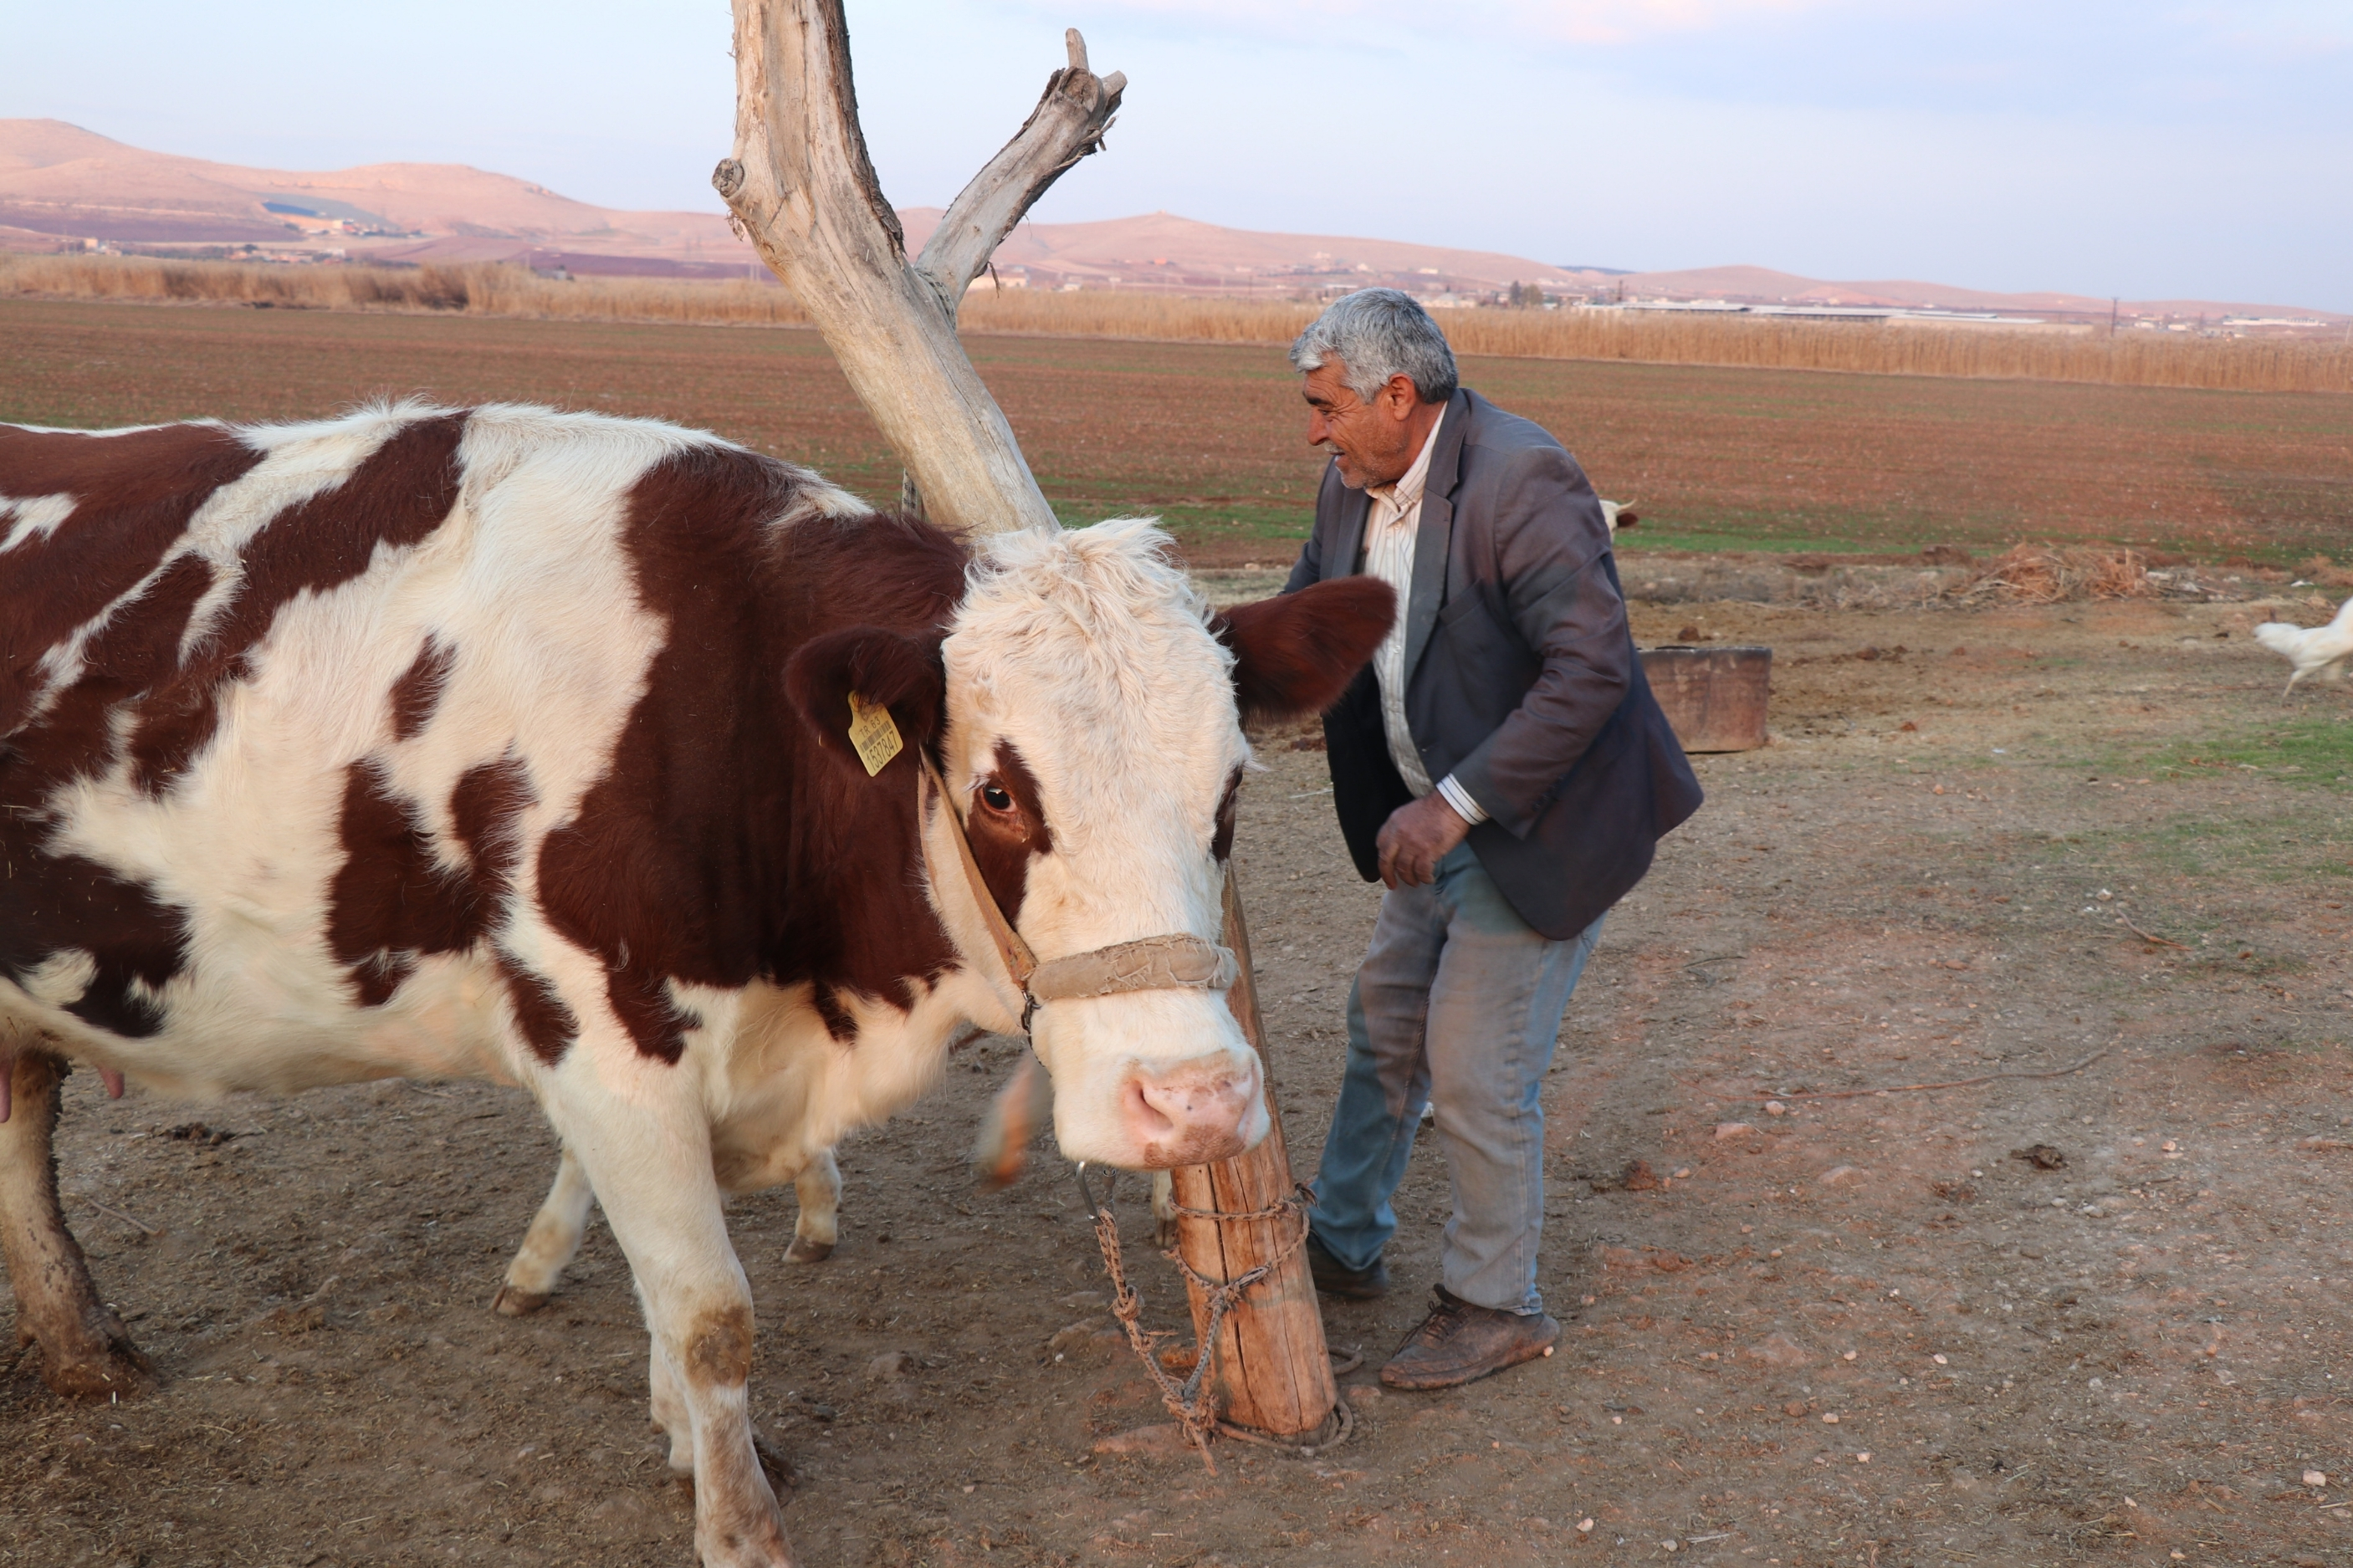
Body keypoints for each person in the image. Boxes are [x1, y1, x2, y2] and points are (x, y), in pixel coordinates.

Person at [1281, 289, 1703, 1390]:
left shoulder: (1524, 482)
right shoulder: (1350, 482)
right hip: (1430, 820)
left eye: (1324, 407)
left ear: (1397, 396)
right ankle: (1341, 1243)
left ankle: (1492, 1303)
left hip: (1536, 823)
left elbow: (1589, 674)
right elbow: (1305, 615)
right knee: (1381, 1026)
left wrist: (1452, 804)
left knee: (1475, 1068)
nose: (1311, 430)